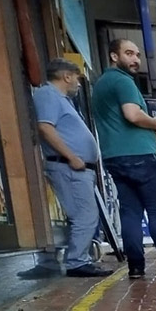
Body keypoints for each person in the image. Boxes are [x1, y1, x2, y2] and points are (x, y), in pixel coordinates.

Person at [91, 39, 156, 279]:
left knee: (130, 213)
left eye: (137, 54)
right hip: (141, 156)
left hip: (115, 157)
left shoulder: (100, 84)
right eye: (129, 53)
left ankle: (136, 267)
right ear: (114, 56)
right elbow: (132, 115)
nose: (135, 59)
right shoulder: (123, 81)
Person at [20, 59, 112, 278]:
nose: (79, 84)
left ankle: (79, 260)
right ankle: (78, 262)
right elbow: (45, 127)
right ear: (67, 76)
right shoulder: (48, 95)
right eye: (77, 79)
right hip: (69, 167)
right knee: (85, 215)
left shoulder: (62, 100)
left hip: (76, 168)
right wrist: (71, 157)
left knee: (83, 215)